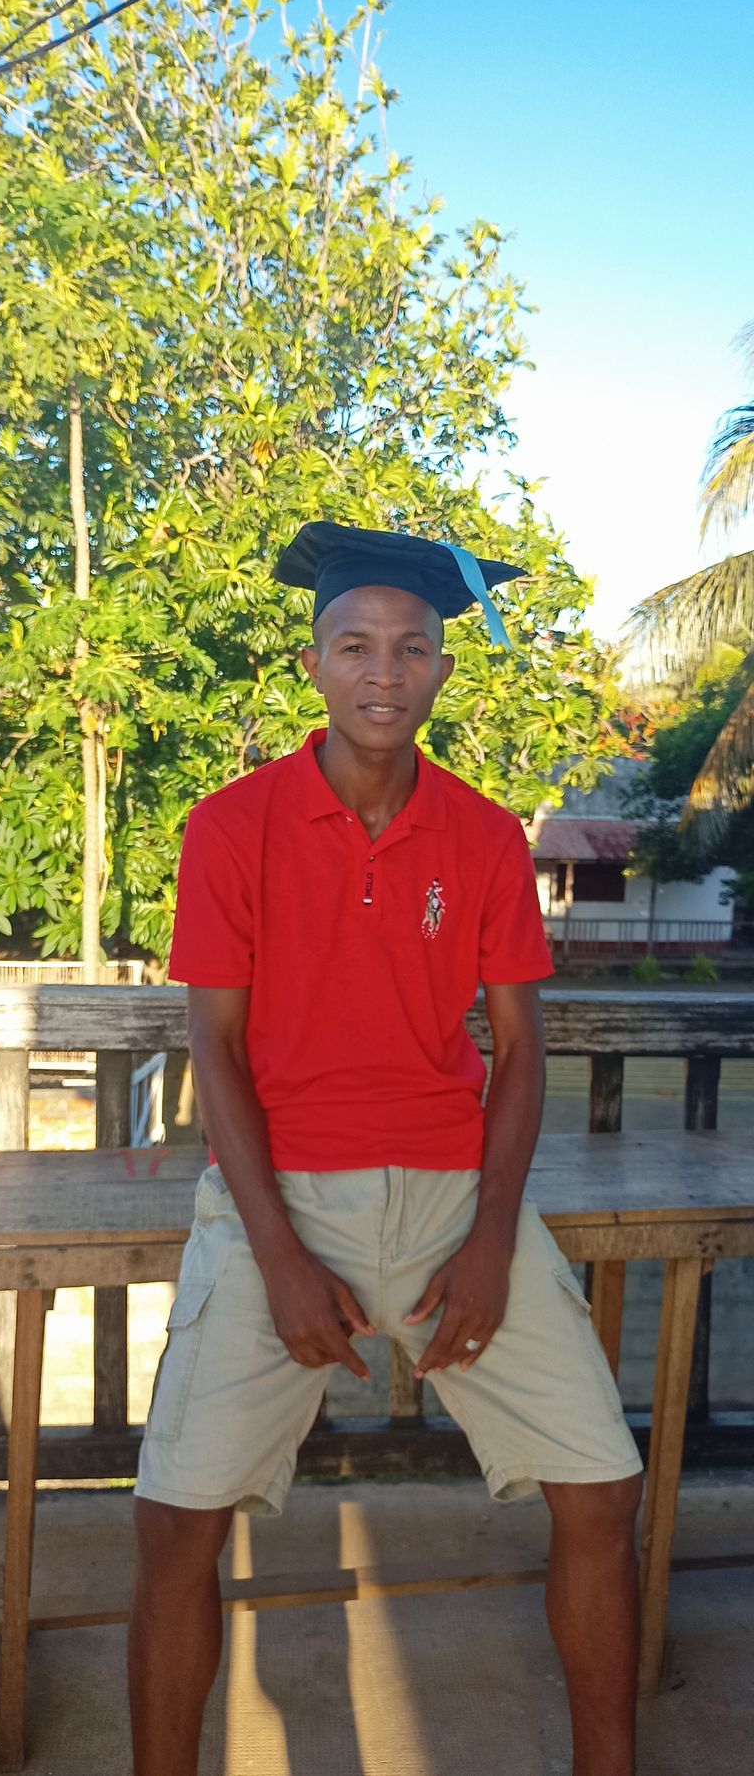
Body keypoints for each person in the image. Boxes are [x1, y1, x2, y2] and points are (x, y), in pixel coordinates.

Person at [128, 522, 643, 1776]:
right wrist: (278, 1255)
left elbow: (517, 1052)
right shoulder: (231, 826)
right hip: (277, 1197)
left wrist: (489, 1245)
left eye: (411, 648)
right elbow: (217, 1051)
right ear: (312, 663)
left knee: (600, 1489)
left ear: (440, 672)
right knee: (176, 1521)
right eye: (354, 644)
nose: (382, 670)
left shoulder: (481, 836)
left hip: (454, 1195)